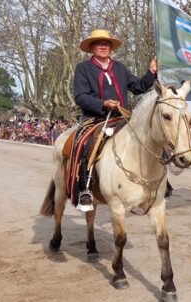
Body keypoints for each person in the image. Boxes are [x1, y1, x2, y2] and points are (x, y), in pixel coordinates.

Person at [73, 29, 157, 212]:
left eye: (106, 43)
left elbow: (138, 87)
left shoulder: (120, 68)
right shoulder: (83, 68)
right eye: (98, 43)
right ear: (92, 48)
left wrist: (151, 72)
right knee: (83, 144)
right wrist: (103, 103)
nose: (103, 46)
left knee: (149, 138)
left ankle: (158, 182)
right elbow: (80, 96)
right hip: (95, 118)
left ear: (111, 47)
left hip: (121, 117)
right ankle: (84, 190)